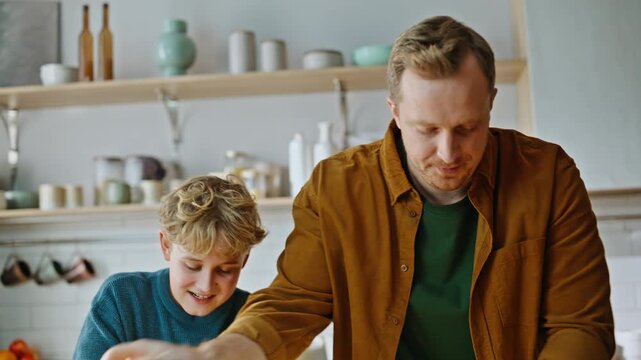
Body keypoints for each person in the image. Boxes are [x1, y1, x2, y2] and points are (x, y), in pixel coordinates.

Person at [102, 15, 615, 360]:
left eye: (466, 128)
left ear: (491, 105)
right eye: (426, 130)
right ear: (394, 113)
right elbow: (289, 306)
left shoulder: (547, 175)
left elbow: (582, 326)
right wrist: (215, 354)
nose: (448, 152)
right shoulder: (338, 187)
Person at [74, 175, 267, 360]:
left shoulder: (252, 316)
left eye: (225, 270)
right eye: (192, 266)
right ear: (166, 245)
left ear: (245, 260)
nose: (206, 286)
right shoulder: (121, 298)